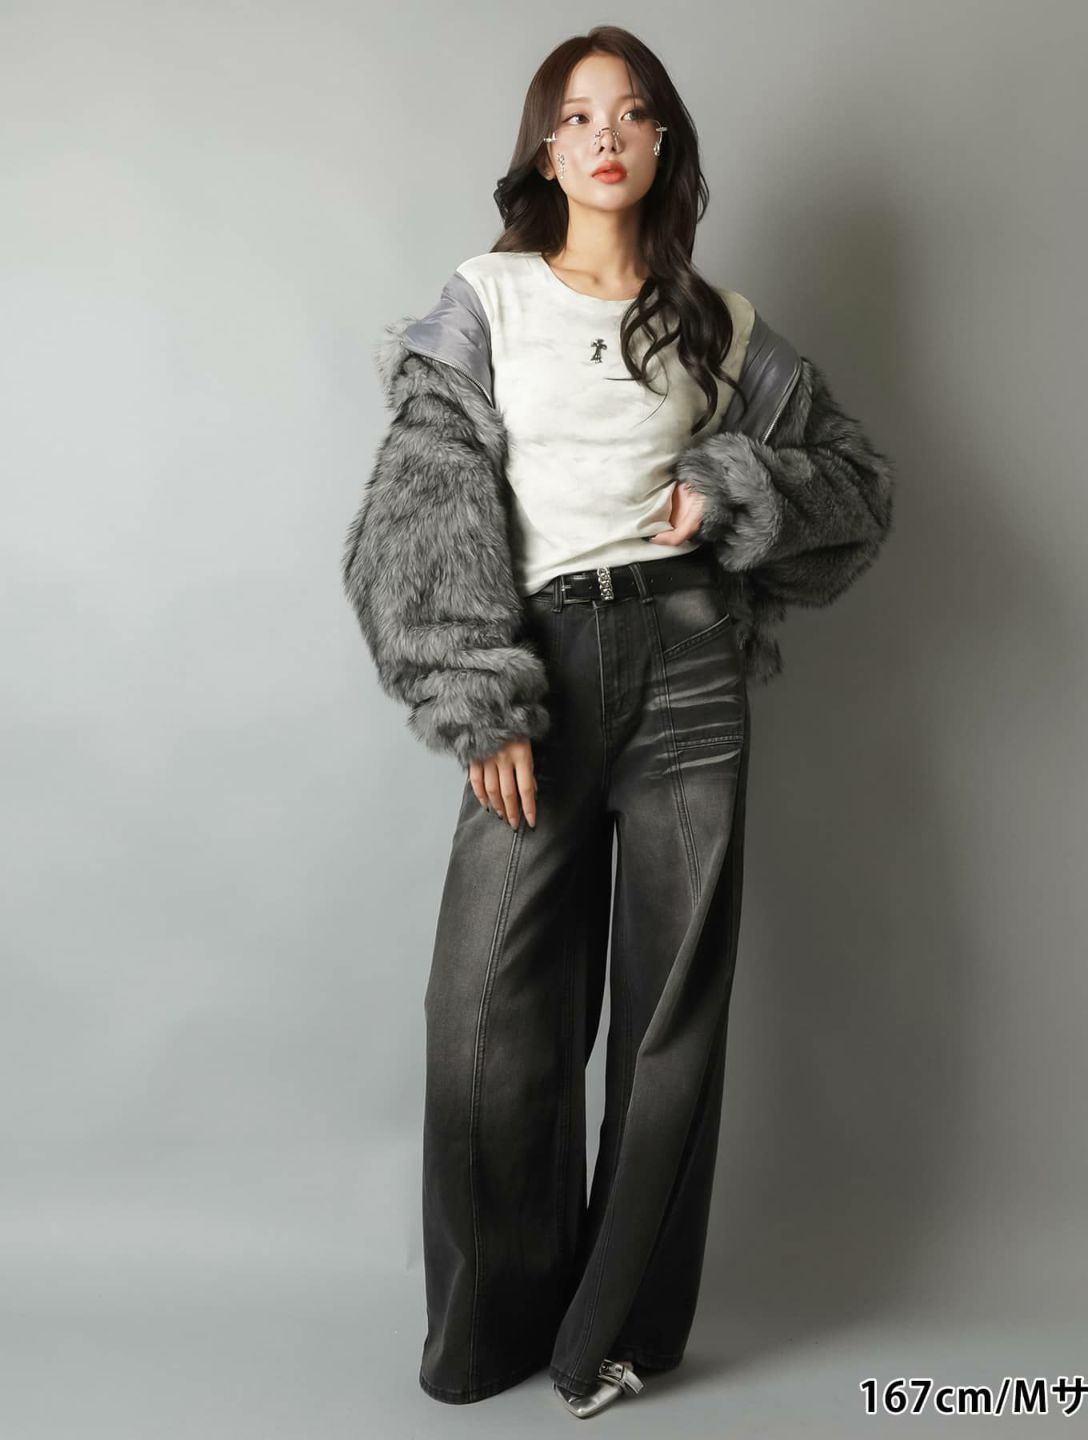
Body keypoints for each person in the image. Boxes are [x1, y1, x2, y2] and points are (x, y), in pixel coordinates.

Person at [341, 24, 896, 1421]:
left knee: (669, 1020)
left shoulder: (717, 323)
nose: (606, 135)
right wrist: (475, 692)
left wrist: (733, 484)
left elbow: (854, 488)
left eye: (632, 113)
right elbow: (421, 500)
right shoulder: (488, 298)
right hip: (540, 667)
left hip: (691, 663)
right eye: (579, 115)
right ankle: (492, 1335)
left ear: (661, 145)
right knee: (485, 1011)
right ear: (546, 149)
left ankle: (616, 1337)